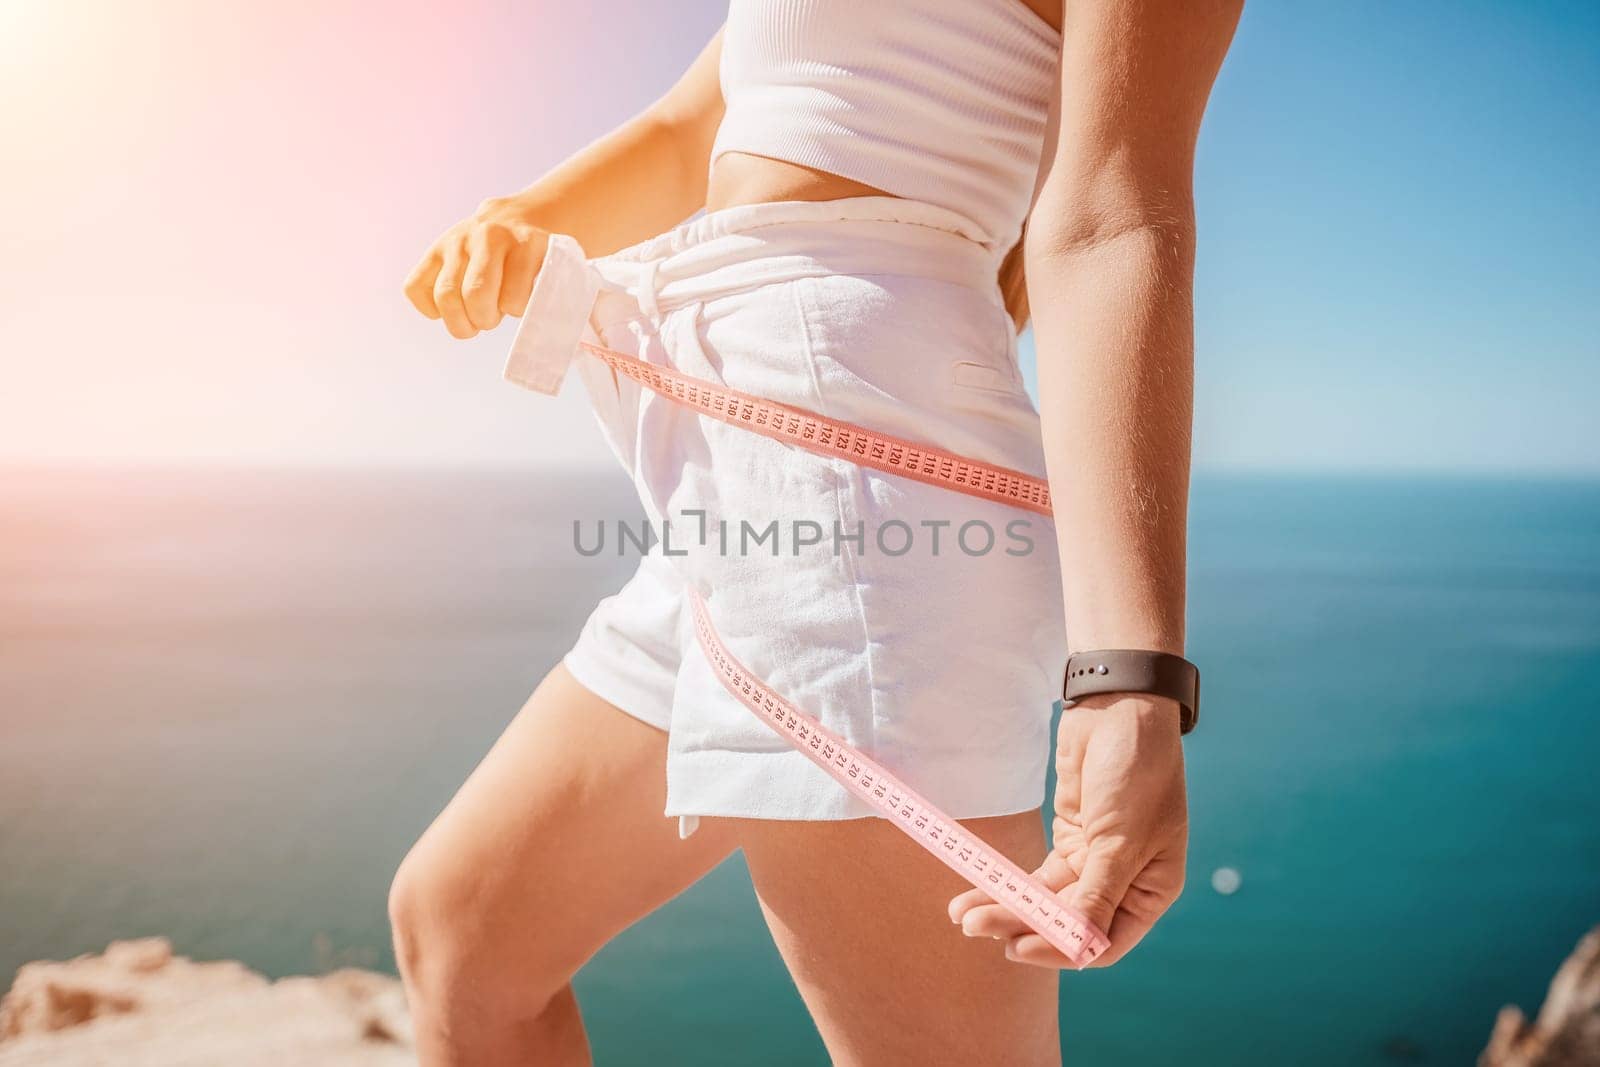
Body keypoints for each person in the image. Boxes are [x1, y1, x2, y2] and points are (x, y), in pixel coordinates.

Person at [390, 1, 1242, 1063]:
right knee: (460, 935)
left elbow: (1114, 215)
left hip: (852, 473)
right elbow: (692, 124)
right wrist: (523, 215)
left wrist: (1131, 683)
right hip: (726, 462)